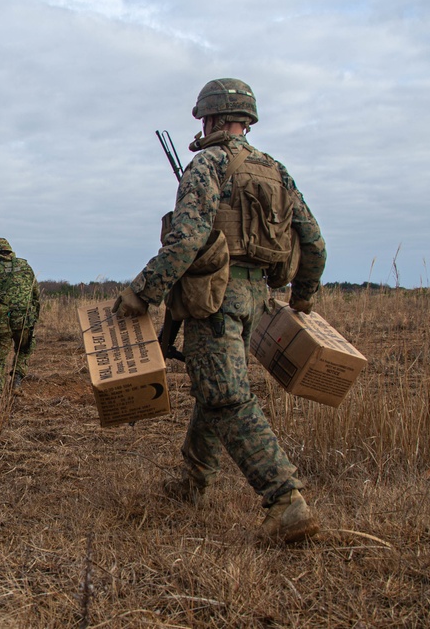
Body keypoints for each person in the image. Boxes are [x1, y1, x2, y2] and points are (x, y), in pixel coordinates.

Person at [111, 78, 327, 544]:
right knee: (213, 387)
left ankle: (285, 499)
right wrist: (303, 297)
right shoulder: (276, 170)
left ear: (208, 119)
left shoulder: (207, 164)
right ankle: (194, 481)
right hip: (257, 301)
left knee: (228, 395)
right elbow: (314, 243)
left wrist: (142, 291)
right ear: (246, 121)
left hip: (215, 300)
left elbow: (186, 238)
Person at [0, 238, 40, 408]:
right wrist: (31, 319)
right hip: (24, 321)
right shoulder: (26, 267)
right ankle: (16, 382)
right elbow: (35, 297)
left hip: (0, 324)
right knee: (24, 349)